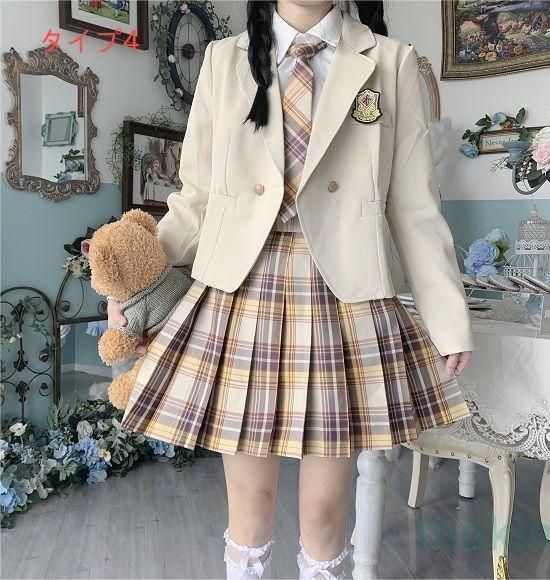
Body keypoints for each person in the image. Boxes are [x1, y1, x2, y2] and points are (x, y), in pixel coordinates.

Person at [107, 1, 474, 578]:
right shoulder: (222, 60)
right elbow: (196, 200)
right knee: (249, 506)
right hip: (241, 296)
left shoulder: (391, 61)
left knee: (325, 512)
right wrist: (136, 278)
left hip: (342, 301)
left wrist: (447, 316)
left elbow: (413, 206)